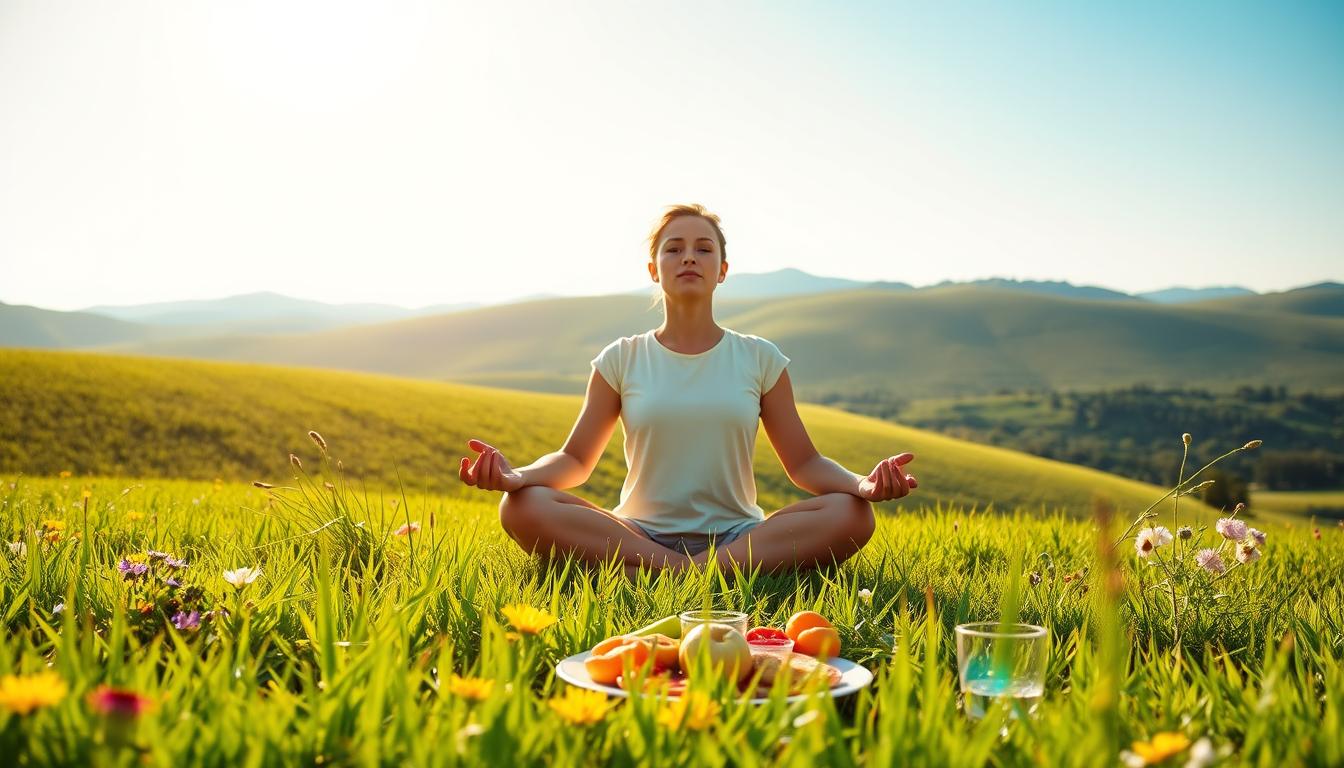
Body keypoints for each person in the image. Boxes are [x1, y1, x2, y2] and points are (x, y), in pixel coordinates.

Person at [458, 203, 918, 574]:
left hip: (739, 536)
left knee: (852, 514)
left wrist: (862, 484)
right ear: (654, 269)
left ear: (722, 270)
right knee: (520, 507)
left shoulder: (760, 358)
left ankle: (673, 572)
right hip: (638, 534)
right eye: (674, 249)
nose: (689, 258)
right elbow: (575, 460)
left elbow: (805, 463)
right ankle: (703, 574)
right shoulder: (622, 357)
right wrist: (518, 477)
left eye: (703, 249)